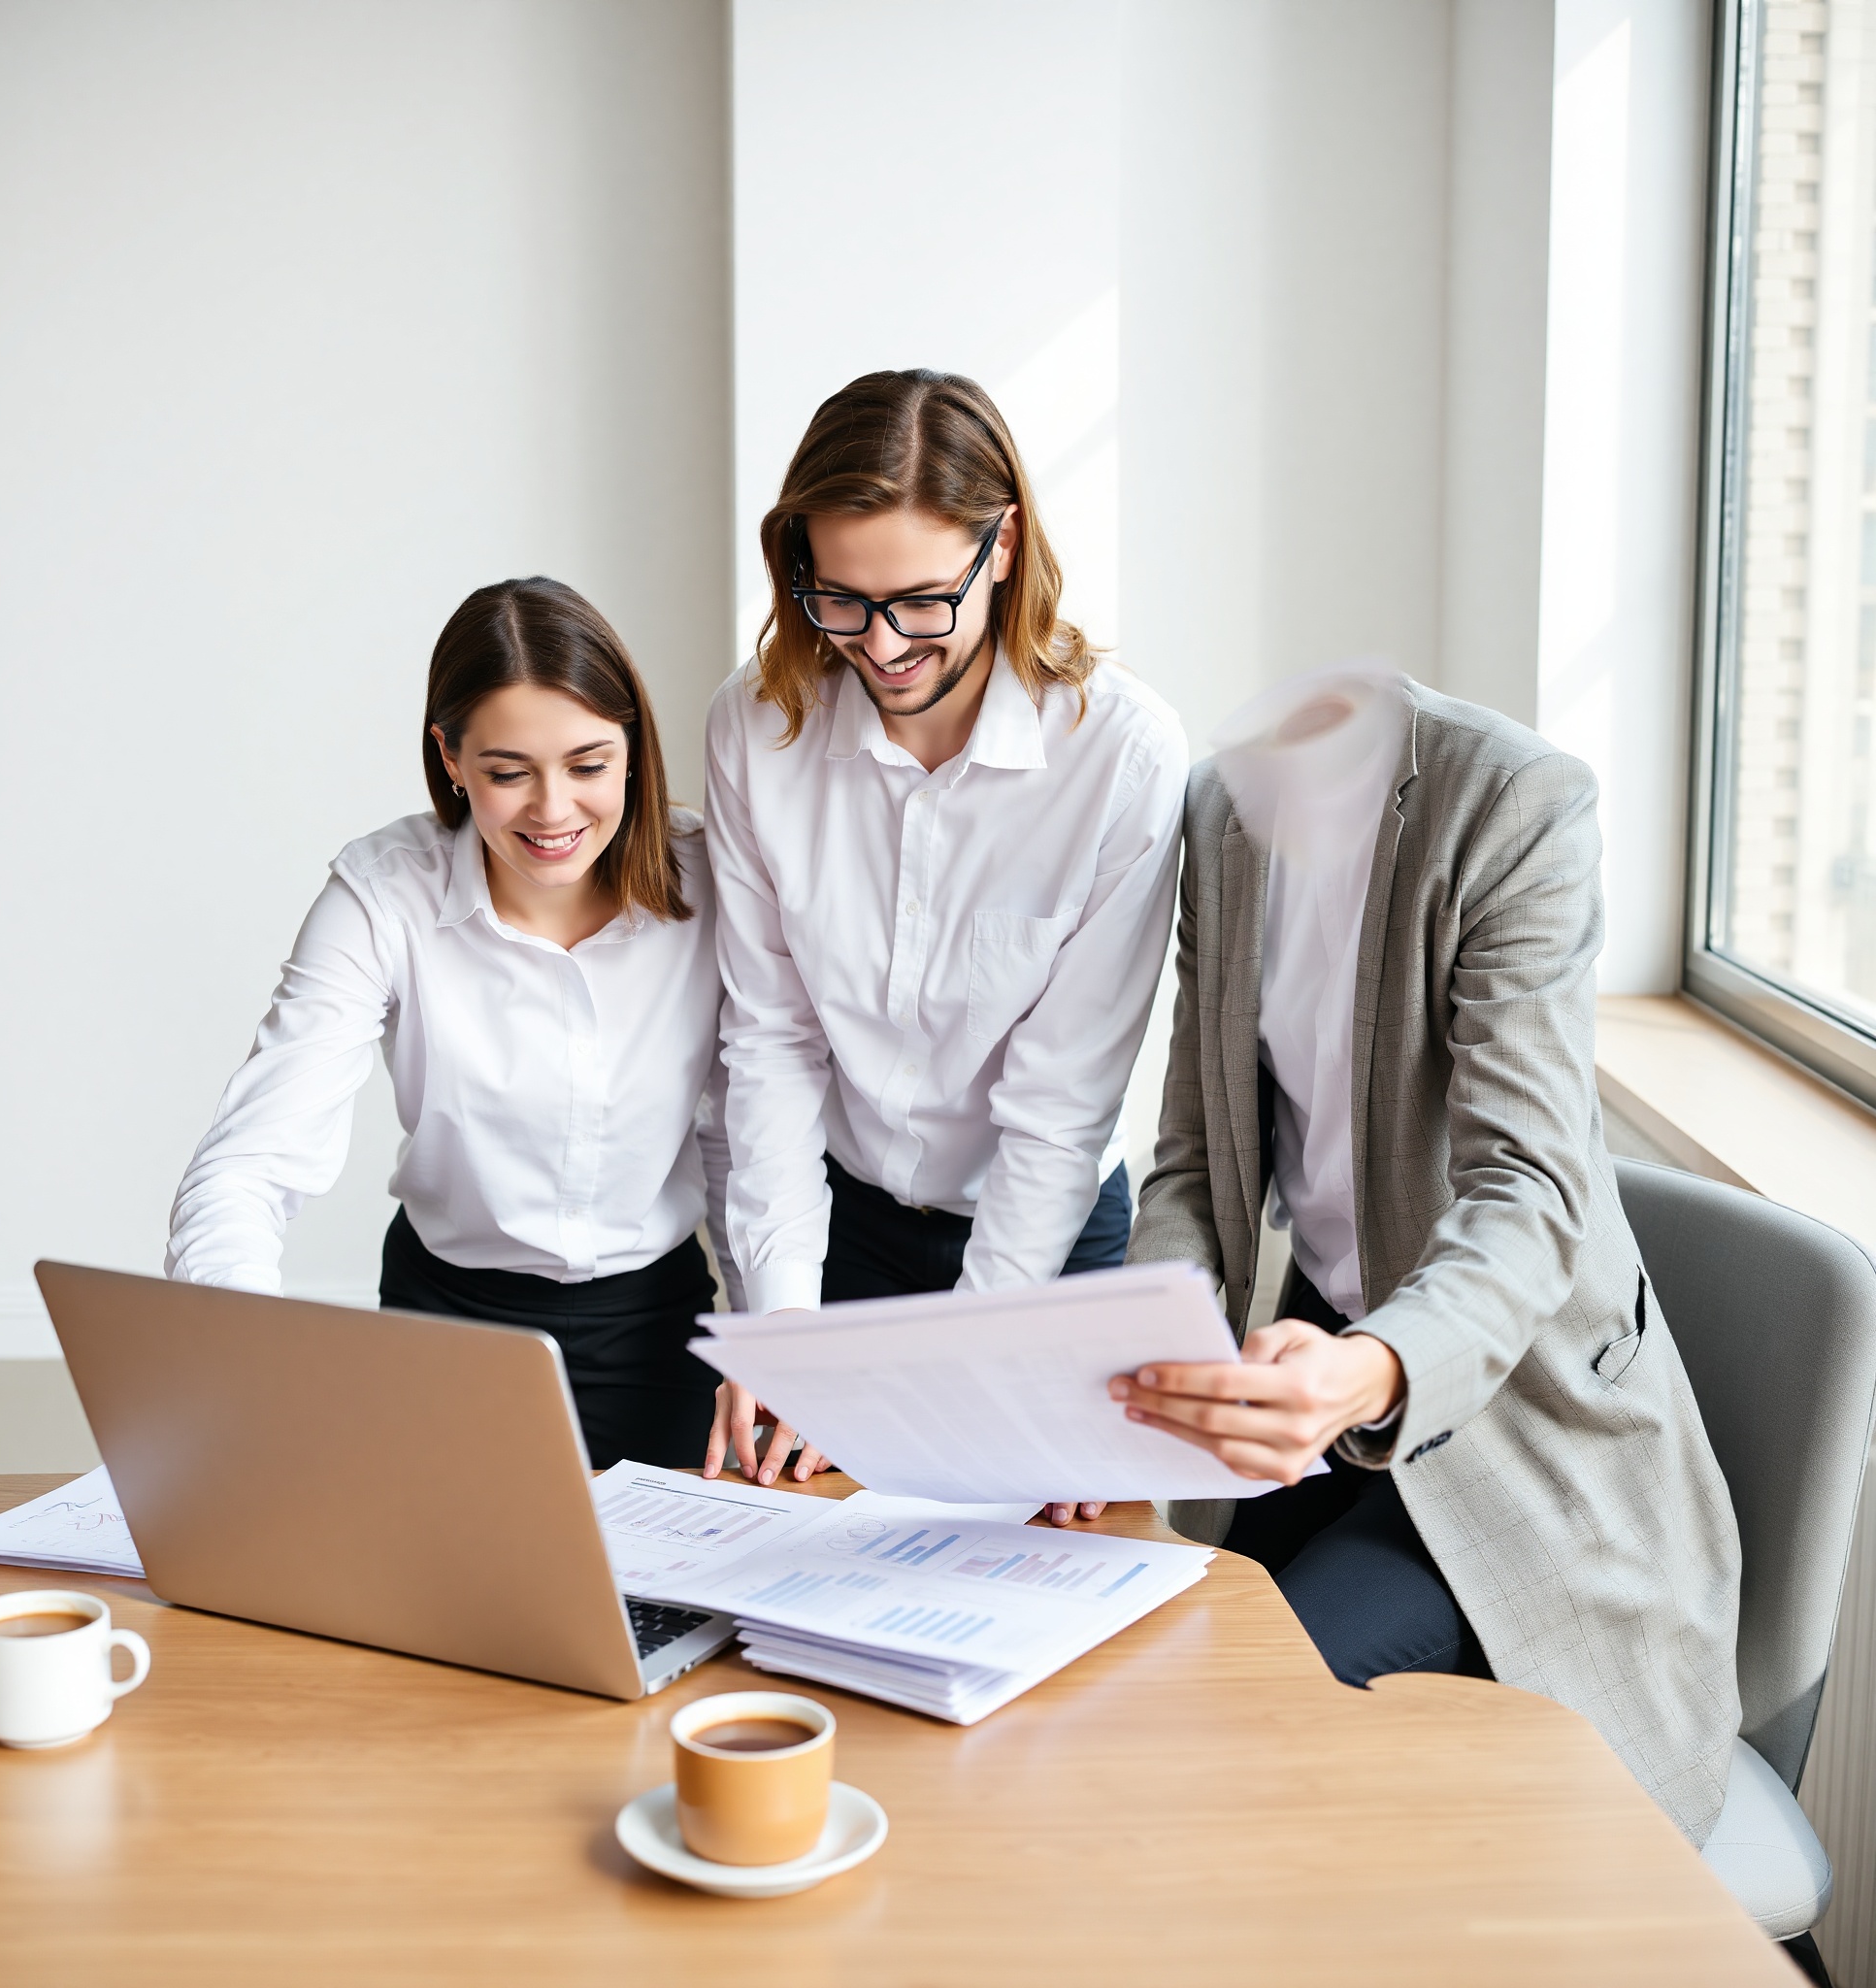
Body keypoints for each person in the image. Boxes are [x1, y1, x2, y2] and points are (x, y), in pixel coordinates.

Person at [1111, 662, 1741, 1844]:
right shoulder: (1218, 811)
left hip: (1516, 1420)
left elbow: (1529, 1189)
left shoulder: (1513, 803)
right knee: (1137, 1700)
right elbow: (1193, 1162)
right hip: (1321, 1383)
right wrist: (1136, 1372)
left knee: (1242, 1739)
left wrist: (1369, 1368)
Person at [703, 368, 1188, 1523]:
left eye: (923, 600)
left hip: (1045, 1234)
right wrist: (783, 1328)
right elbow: (770, 1039)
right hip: (841, 1227)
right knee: (805, 1559)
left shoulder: (1119, 755)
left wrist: (981, 1366)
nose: (881, 647)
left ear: (1004, 546)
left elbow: (1060, 1103)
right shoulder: (754, 727)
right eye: (841, 599)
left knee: (1036, 1584)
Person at [166, 578, 740, 1470]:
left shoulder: (712, 883)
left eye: (589, 764)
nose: (554, 811)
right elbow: (250, 1162)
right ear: (450, 757)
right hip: (451, 1326)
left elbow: (742, 1137)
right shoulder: (382, 893)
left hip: (657, 1328)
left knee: (663, 1604)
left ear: (632, 748)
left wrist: (769, 1340)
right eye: (509, 773)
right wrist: (245, 1366)